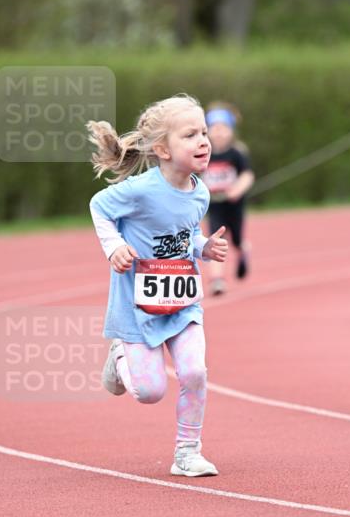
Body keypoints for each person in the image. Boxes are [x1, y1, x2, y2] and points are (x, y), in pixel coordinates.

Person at [88, 93, 228, 478]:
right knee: (149, 392)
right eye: (190, 135)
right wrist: (115, 246)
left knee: (195, 372)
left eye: (203, 132)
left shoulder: (200, 191)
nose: (203, 141)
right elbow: (99, 206)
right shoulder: (140, 190)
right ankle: (120, 353)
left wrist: (203, 247)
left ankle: (187, 452)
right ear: (163, 149)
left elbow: (181, 237)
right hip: (137, 306)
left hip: (183, 305)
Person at [201, 102, 255, 296]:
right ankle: (217, 280)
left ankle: (243, 251)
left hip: (235, 205)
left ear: (231, 131)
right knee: (215, 240)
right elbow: (196, 177)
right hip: (215, 206)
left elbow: (247, 175)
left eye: (224, 129)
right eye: (214, 129)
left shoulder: (237, 153)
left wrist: (237, 189)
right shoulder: (203, 153)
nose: (219, 133)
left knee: (237, 240)